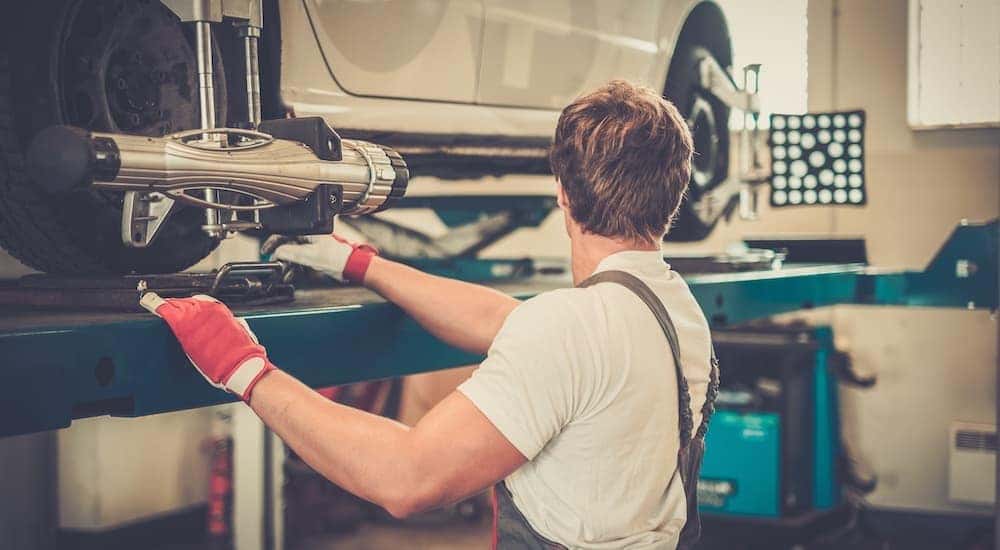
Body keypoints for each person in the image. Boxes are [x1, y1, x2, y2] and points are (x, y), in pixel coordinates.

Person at [141, 80, 719, 550]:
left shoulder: (572, 329)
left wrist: (243, 368)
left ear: (564, 194)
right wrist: (363, 264)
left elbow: (406, 478)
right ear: (672, 196)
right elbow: (510, 321)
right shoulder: (673, 309)